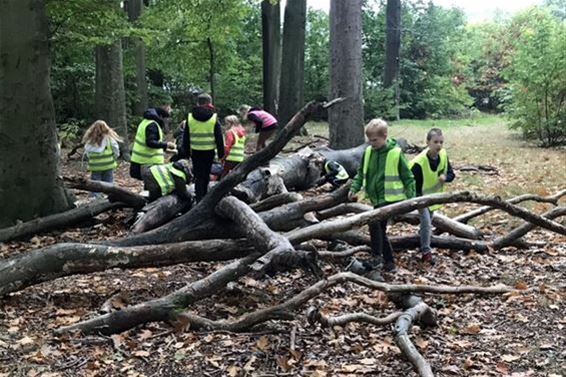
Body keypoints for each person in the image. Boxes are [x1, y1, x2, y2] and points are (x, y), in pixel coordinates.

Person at [348, 118, 415, 275]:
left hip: (391, 199)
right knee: (379, 229)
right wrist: (354, 187)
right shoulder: (369, 152)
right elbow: (361, 173)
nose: (372, 143)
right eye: (369, 140)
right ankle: (389, 262)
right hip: (376, 199)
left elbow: (408, 177)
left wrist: (411, 200)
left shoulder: (395, 153)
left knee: (375, 224)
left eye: (375, 140)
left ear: (384, 136)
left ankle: (378, 257)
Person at [410, 128, 455, 265]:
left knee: (427, 223)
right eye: (435, 142)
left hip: (434, 198)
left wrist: (445, 178)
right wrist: (417, 200)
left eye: (441, 142)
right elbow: (411, 184)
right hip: (420, 198)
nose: (439, 145)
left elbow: (452, 175)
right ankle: (426, 252)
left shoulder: (443, 156)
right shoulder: (419, 163)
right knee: (426, 223)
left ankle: (421, 240)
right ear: (427, 142)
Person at [181, 93, 224, 201]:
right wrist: (221, 153)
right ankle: (204, 196)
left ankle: (198, 197)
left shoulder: (190, 117)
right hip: (209, 151)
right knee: (206, 174)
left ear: (198, 103)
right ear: (209, 103)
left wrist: (185, 151)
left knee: (198, 175)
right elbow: (219, 137)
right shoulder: (214, 118)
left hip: (195, 151)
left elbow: (186, 136)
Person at [130, 106, 176, 180]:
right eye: (165, 118)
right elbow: (150, 142)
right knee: (153, 187)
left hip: (141, 160)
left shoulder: (145, 122)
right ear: (160, 116)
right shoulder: (152, 125)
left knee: (149, 185)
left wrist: (165, 149)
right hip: (149, 162)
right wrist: (166, 144)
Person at [82, 120, 122, 196]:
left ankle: (95, 198)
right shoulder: (110, 139)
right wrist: (115, 157)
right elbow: (116, 149)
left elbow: (88, 153)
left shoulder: (90, 141)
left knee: (95, 183)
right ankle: (109, 197)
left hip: (95, 166)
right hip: (108, 164)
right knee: (108, 182)